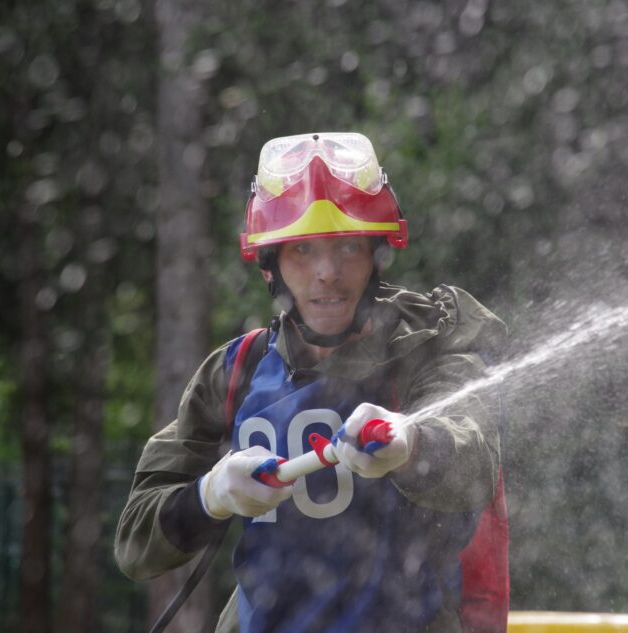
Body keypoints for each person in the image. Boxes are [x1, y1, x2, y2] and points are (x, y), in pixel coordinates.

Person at [115, 132, 508, 633]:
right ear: (268, 267)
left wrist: (410, 445)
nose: (328, 273)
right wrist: (209, 495)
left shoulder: (428, 348)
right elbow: (135, 547)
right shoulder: (233, 373)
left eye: (348, 247)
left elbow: (474, 464)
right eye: (302, 249)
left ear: (376, 257)